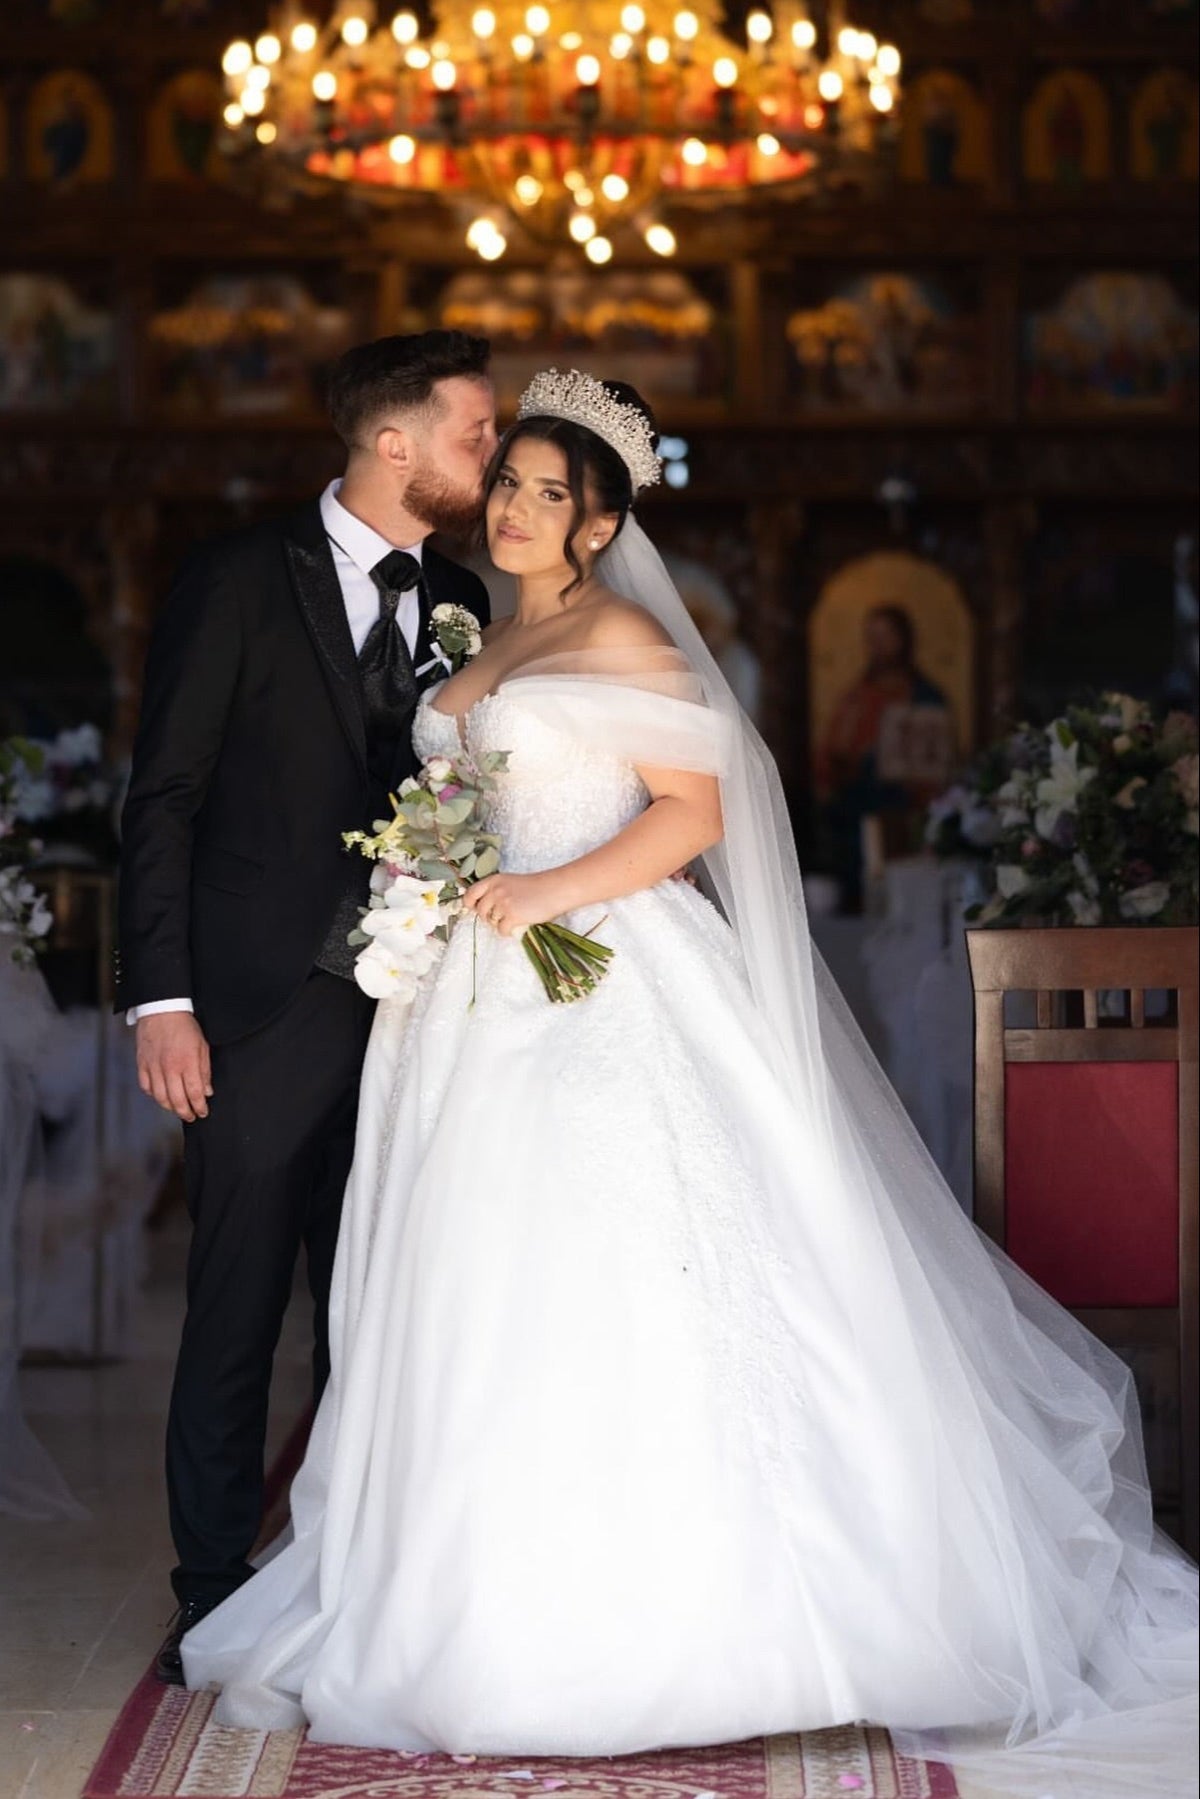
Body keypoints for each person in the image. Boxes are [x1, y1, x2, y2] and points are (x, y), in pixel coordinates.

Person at [183, 371, 1197, 1795]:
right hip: (468, 1001)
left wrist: (542, 891)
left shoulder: (626, 629)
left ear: (600, 521)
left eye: (554, 491)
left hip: (600, 975)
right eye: (515, 482)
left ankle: (664, 1607)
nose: (524, 507)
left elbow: (695, 812)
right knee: (473, 1285)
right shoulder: (479, 637)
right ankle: (457, 1582)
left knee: (616, 1270)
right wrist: (442, 881)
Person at [116, 331, 496, 1682]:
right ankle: (215, 1589)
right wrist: (162, 997)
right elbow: (162, 796)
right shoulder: (233, 578)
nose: (489, 455)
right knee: (235, 1308)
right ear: (392, 440)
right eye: (472, 429)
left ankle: (355, 1580)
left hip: (422, 1016)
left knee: (384, 1304)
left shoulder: (468, 596)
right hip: (255, 1008)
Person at [815, 603, 951, 911]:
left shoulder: (925, 697)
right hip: (861, 812)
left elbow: (937, 758)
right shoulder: (857, 697)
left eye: (885, 635)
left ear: (904, 639)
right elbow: (833, 754)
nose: (877, 644)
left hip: (910, 813)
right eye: (871, 636)